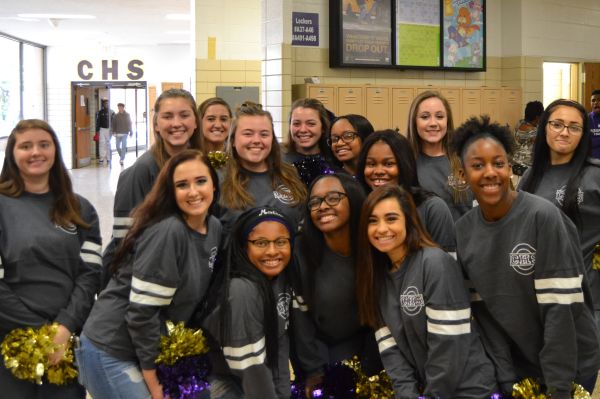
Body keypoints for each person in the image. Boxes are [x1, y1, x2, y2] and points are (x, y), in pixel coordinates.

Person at [452, 115, 600, 397]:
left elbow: (560, 313)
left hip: (569, 364)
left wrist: (558, 389)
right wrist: (507, 378)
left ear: (510, 168)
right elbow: (486, 317)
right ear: (462, 174)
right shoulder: (463, 232)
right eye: (477, 165)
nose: (490, 173)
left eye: (498, 163)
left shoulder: (542, 217)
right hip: (520, 366)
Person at [77, 150, 222, 399]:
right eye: (182, 185)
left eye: (201, 181)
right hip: (112, 348)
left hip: (150, 347)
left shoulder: (214, 228)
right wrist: (153, 382)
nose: (193, 191)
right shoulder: (169, 232)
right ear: (171, 192)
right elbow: (142, 313)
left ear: (214, 184)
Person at [356, 184, 497, 398]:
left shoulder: (434, 262)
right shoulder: (376, 278)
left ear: (409, 221)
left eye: (391, 218)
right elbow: (391, 350)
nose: (382, 229)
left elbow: (448, 346)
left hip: (470, 390)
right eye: (372, 221)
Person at [0, 119, 102, 398]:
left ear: (55, 151)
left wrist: (65, 327)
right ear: (12, 154)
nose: (36, 152)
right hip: (9, 339)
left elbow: (90, 275)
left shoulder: (80, 208)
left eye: (44, 145)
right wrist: (41, 332)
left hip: (66, 340)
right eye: (26, 146)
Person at [101, 88, 203, 287]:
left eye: (184, 115)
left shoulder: (201, 166)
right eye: (167, 116)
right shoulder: (139, 172)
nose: (176, 123)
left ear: (195, 122)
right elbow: (125, 242)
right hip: (145, 280)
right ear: (156, 124)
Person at [292, 173, 381, 396]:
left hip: (371, 351)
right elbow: (300, 323)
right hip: (320, 352)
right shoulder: (301, 250)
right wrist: (315, 372)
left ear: (353, 199)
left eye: (333, 198)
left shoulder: (374, 247)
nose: (322, 206)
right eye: (315, 201)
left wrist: (368, 369)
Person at [519, 99, 600, 328]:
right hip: (543, 298)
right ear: (545, 126)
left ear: (583, 134)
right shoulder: (530, 177)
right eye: (557, 124)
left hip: (589, 300)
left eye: (574, 127)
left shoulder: (594, 175)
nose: (564, 133)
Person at [202, 206, 295, 399]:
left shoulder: (280, 279)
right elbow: (251, 371)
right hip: (223, 382)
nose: (272, 251)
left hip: (254, 379)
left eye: (280, 242)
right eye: (260, 243)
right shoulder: (241, 291)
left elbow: (279, 347)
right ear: (244, 247)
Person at [356, 130, 456, 253]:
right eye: (371, 164)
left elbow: (446, 264)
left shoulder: (432, 208)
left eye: (388, 164)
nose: (378, 171)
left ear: (404, 165)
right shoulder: (359, 207)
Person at [219, 102, 307, 236]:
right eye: (248, 134)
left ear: (272, 140)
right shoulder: (219, 179)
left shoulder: (289, 174)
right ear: (232, 141)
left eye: (264, 134)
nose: (256, 140)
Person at [406, 90, 472, 221]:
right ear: (414, 122)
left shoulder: (464, 159)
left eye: (440, 116)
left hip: (466, 239)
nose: (433, 123)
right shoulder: (407, 162)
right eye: (425, 117)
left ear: (448, 121)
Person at [283, 98, 336, 186]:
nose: (303, 130)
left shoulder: (334, 159)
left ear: (323, 127)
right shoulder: (278, 158)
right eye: (296, 124)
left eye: (311, 124)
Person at [513, 100, 544, 173]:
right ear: (537, 117)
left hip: (515, 164)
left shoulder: (519, 124)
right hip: (527, 168)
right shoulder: (535, 133)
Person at [95, 98, 115, 165]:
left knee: (108, 143)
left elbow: (113, 122)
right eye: (105, 103)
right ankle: (101, 158)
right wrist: (97, 130)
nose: (106, 104)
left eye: (107, 103)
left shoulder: (112, 112)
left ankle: (109, 158)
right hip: (102, 129)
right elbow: (98, 122)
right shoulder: (100, 112)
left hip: (109, 129)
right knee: (102, 143)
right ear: (103, 104)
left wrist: (113, 130)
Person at [589, 89, 600, 159]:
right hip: (591, 160)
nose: (596, 102)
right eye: (593, 100)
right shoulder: (585, 119)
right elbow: (586, 143)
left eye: (599, 100)